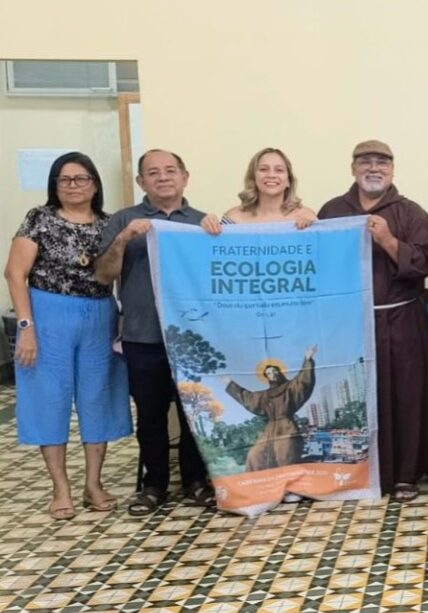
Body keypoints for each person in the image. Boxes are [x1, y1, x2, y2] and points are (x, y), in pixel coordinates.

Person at [318, 139, 428, 502]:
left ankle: (405, 474)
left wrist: (389, 240)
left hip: (402, 319)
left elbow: (423, 265)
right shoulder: (332, 211)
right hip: (351, 322)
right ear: (353, 168)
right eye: (365, 162)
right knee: (353, 397)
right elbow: (318, 262)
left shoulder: (411, 213)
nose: (373, 168)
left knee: (405, 397)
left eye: (382, 162)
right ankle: (356, 470)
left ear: (392, 169)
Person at [4, 152, 132, 519]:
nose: (73, 185)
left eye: (81, 178)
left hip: (99, 315)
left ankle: (94, 483)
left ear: (94, 184)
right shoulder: (39, 219)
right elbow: (15, 273)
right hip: (47, 315)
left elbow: (117, 274)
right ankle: (60, 488)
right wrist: (26, 327)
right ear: (54, 185)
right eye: (65, 179)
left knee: (98, 397)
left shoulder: (109, 223)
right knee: (49, 398)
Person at [94, 149, 221, 516]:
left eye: (170, 170)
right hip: (143, 336)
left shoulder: (202, 222)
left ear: (185, 177)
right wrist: (124, 239)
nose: (163, 177)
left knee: (195, 413)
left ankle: (196, 481)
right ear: (141, 181)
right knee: (150, 416)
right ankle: (154, 485)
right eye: (153, 172)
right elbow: (102, 275)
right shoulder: (124, 219)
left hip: (193, 338)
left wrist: (218, 236)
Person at [222, 346, 317, 471]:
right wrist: (230, 384)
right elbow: (248, 398)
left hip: (287, 427)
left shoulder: (290, 387)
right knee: (254, 455)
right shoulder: (264, 396)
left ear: (279, 372)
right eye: (269, 373)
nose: (273, 374)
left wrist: (307, 359)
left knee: (286, 456)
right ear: (267, 377)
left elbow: (303, 381)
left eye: (274, 371)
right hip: (269, 430)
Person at [220, 148, 317, 227]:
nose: (271, 175)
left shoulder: (307, 216)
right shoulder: (233, 219)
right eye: (263, 169)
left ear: (289, 181)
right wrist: (211, 229)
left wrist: (313, 227)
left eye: (279, 170)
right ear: (253, 178)